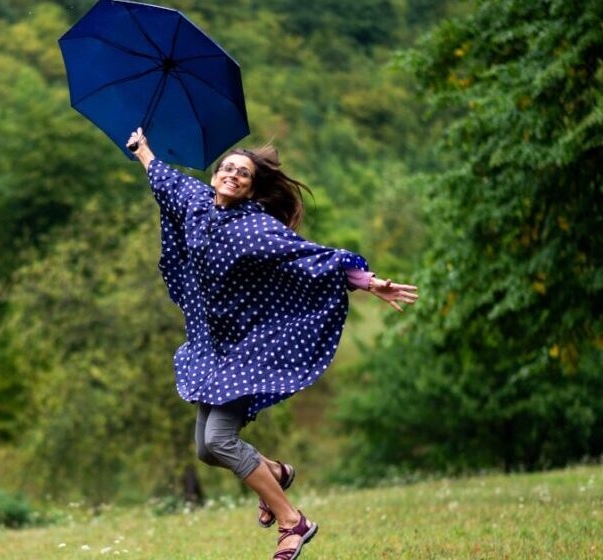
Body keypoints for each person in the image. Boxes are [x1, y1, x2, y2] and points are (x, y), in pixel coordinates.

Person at [126, 127, 418, 560]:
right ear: (214, 176)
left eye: (242, 173)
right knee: (207, 450)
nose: (232, 175)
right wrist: (143, 149)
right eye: (226, 168)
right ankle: (276, 472)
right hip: (211, 347)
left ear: (251, 188)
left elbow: (310, 257)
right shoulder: (194, 204)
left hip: (246, 347)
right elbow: (165, 180)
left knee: (222, 440)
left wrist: (369, 281)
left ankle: (292, 521)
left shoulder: (256, 229)